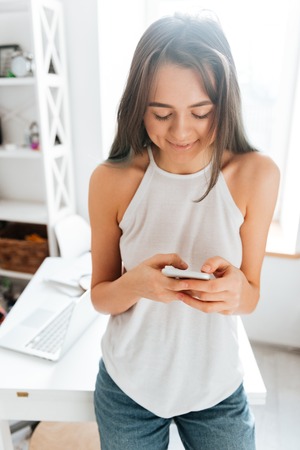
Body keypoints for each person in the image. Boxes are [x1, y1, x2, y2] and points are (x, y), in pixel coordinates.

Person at [89, 12, 280, 450]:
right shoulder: (112, 180)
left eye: (200, 112)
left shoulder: (256, 175)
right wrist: (135, 284)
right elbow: (101, 296)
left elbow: (250, 296)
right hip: (128, 387)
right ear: (139, 107)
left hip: (215, 387)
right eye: (161, 113)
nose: (180, 131)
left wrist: (234, 292)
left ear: (224, 103)